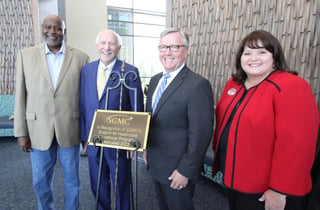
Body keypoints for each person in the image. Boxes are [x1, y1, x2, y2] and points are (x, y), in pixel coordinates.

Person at [212, 30, 319, 210]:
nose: (253, 58)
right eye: (247, 53)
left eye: (262, 52)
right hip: (233, 180)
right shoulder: (234, 84)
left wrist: (279, 190)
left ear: (275, 58)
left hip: (264, 191)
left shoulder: (291, 86)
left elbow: (298, 145)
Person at [14, 15, 89, 210]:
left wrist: (87, 133)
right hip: (37, 129)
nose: (52, 32)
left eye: (57, 28)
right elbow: (20, 95)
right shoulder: (25, 55)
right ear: (42, 29)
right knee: (40, 181)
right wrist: (21, 131)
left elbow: (85, 98)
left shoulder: (81, 57)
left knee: (72, 180)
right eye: (48, 27)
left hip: (70, 130)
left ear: (64, 31)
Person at [144, 28, 214, 210]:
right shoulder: (154, 81)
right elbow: (150, 120)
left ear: (186, 50)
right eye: (163, 47)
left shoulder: (198, 85)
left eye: (174, 47)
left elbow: (200, 134)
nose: (167, 52)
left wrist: (185, 170)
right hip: (156, 162)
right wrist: (144, 147)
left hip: (178, 169)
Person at [80, 29, 144, 210]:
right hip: (94, 139)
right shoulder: (87, 70)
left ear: (118, 48)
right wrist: (85, 138)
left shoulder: (130, 72)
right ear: (97, 45)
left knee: (121, 183)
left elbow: (137, 107)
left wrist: (135, 141)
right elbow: (83, 105)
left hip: (120, 140)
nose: (106, 48)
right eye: (103, 43)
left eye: (111, 44)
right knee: (97, 182)